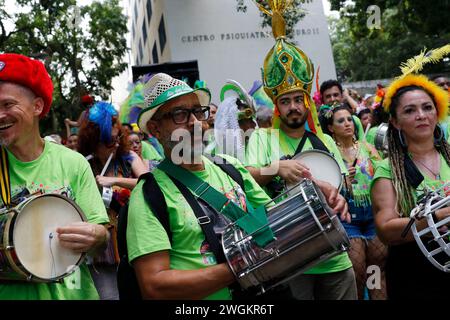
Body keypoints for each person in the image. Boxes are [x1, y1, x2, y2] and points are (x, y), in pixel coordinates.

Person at [125, 73, 348, 300]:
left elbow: (272, 219)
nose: (195, 123)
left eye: (198, 111)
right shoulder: (148, 195)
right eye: (180, 115)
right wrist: (243, 267)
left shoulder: (228, 166)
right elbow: (154, 286)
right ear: (155, 129)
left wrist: (316, 193)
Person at [244, 3, 356, 300]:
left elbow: (342, 186)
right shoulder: (262, 138)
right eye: (285, 101)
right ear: (276, 106)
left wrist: (339, 197)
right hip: (289, 256)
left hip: (335, 255)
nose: (293, 106)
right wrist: (276, 168)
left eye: (298, 99)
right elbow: (245, 179)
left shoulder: (325, 141)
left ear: (307, 102)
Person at [0, 53, 109, 299]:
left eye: (7, 105)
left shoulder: (73, 162)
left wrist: (97, 235)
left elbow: (101, 235)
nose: (0, 115)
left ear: (37, 106)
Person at [371, 73, 450, 299]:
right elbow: (386, 229)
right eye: (409, 111)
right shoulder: (388, 170)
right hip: (415, 273)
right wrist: (441, 215)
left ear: (437, 112)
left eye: (427, 107)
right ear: (395, 122)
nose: (421, 116)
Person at [78, 101, 147, 300]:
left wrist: (115, 180)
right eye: (109, 141)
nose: (115, 145)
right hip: (103, 250)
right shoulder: (84, 165)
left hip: (133, 238)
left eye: (118, 139)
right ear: (94, 142)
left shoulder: (129, 157)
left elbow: (148, 182)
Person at [322, 103, 387, 300]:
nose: (347, 123)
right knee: (357, 271)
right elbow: (325, 183)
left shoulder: (367, 148)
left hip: (371, 214)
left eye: (350, 119)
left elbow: (383, 174)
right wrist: (343, 179)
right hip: (347, 217)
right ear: (331, 128)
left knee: (376, 271)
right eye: (340, 121)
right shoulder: (330, 154)